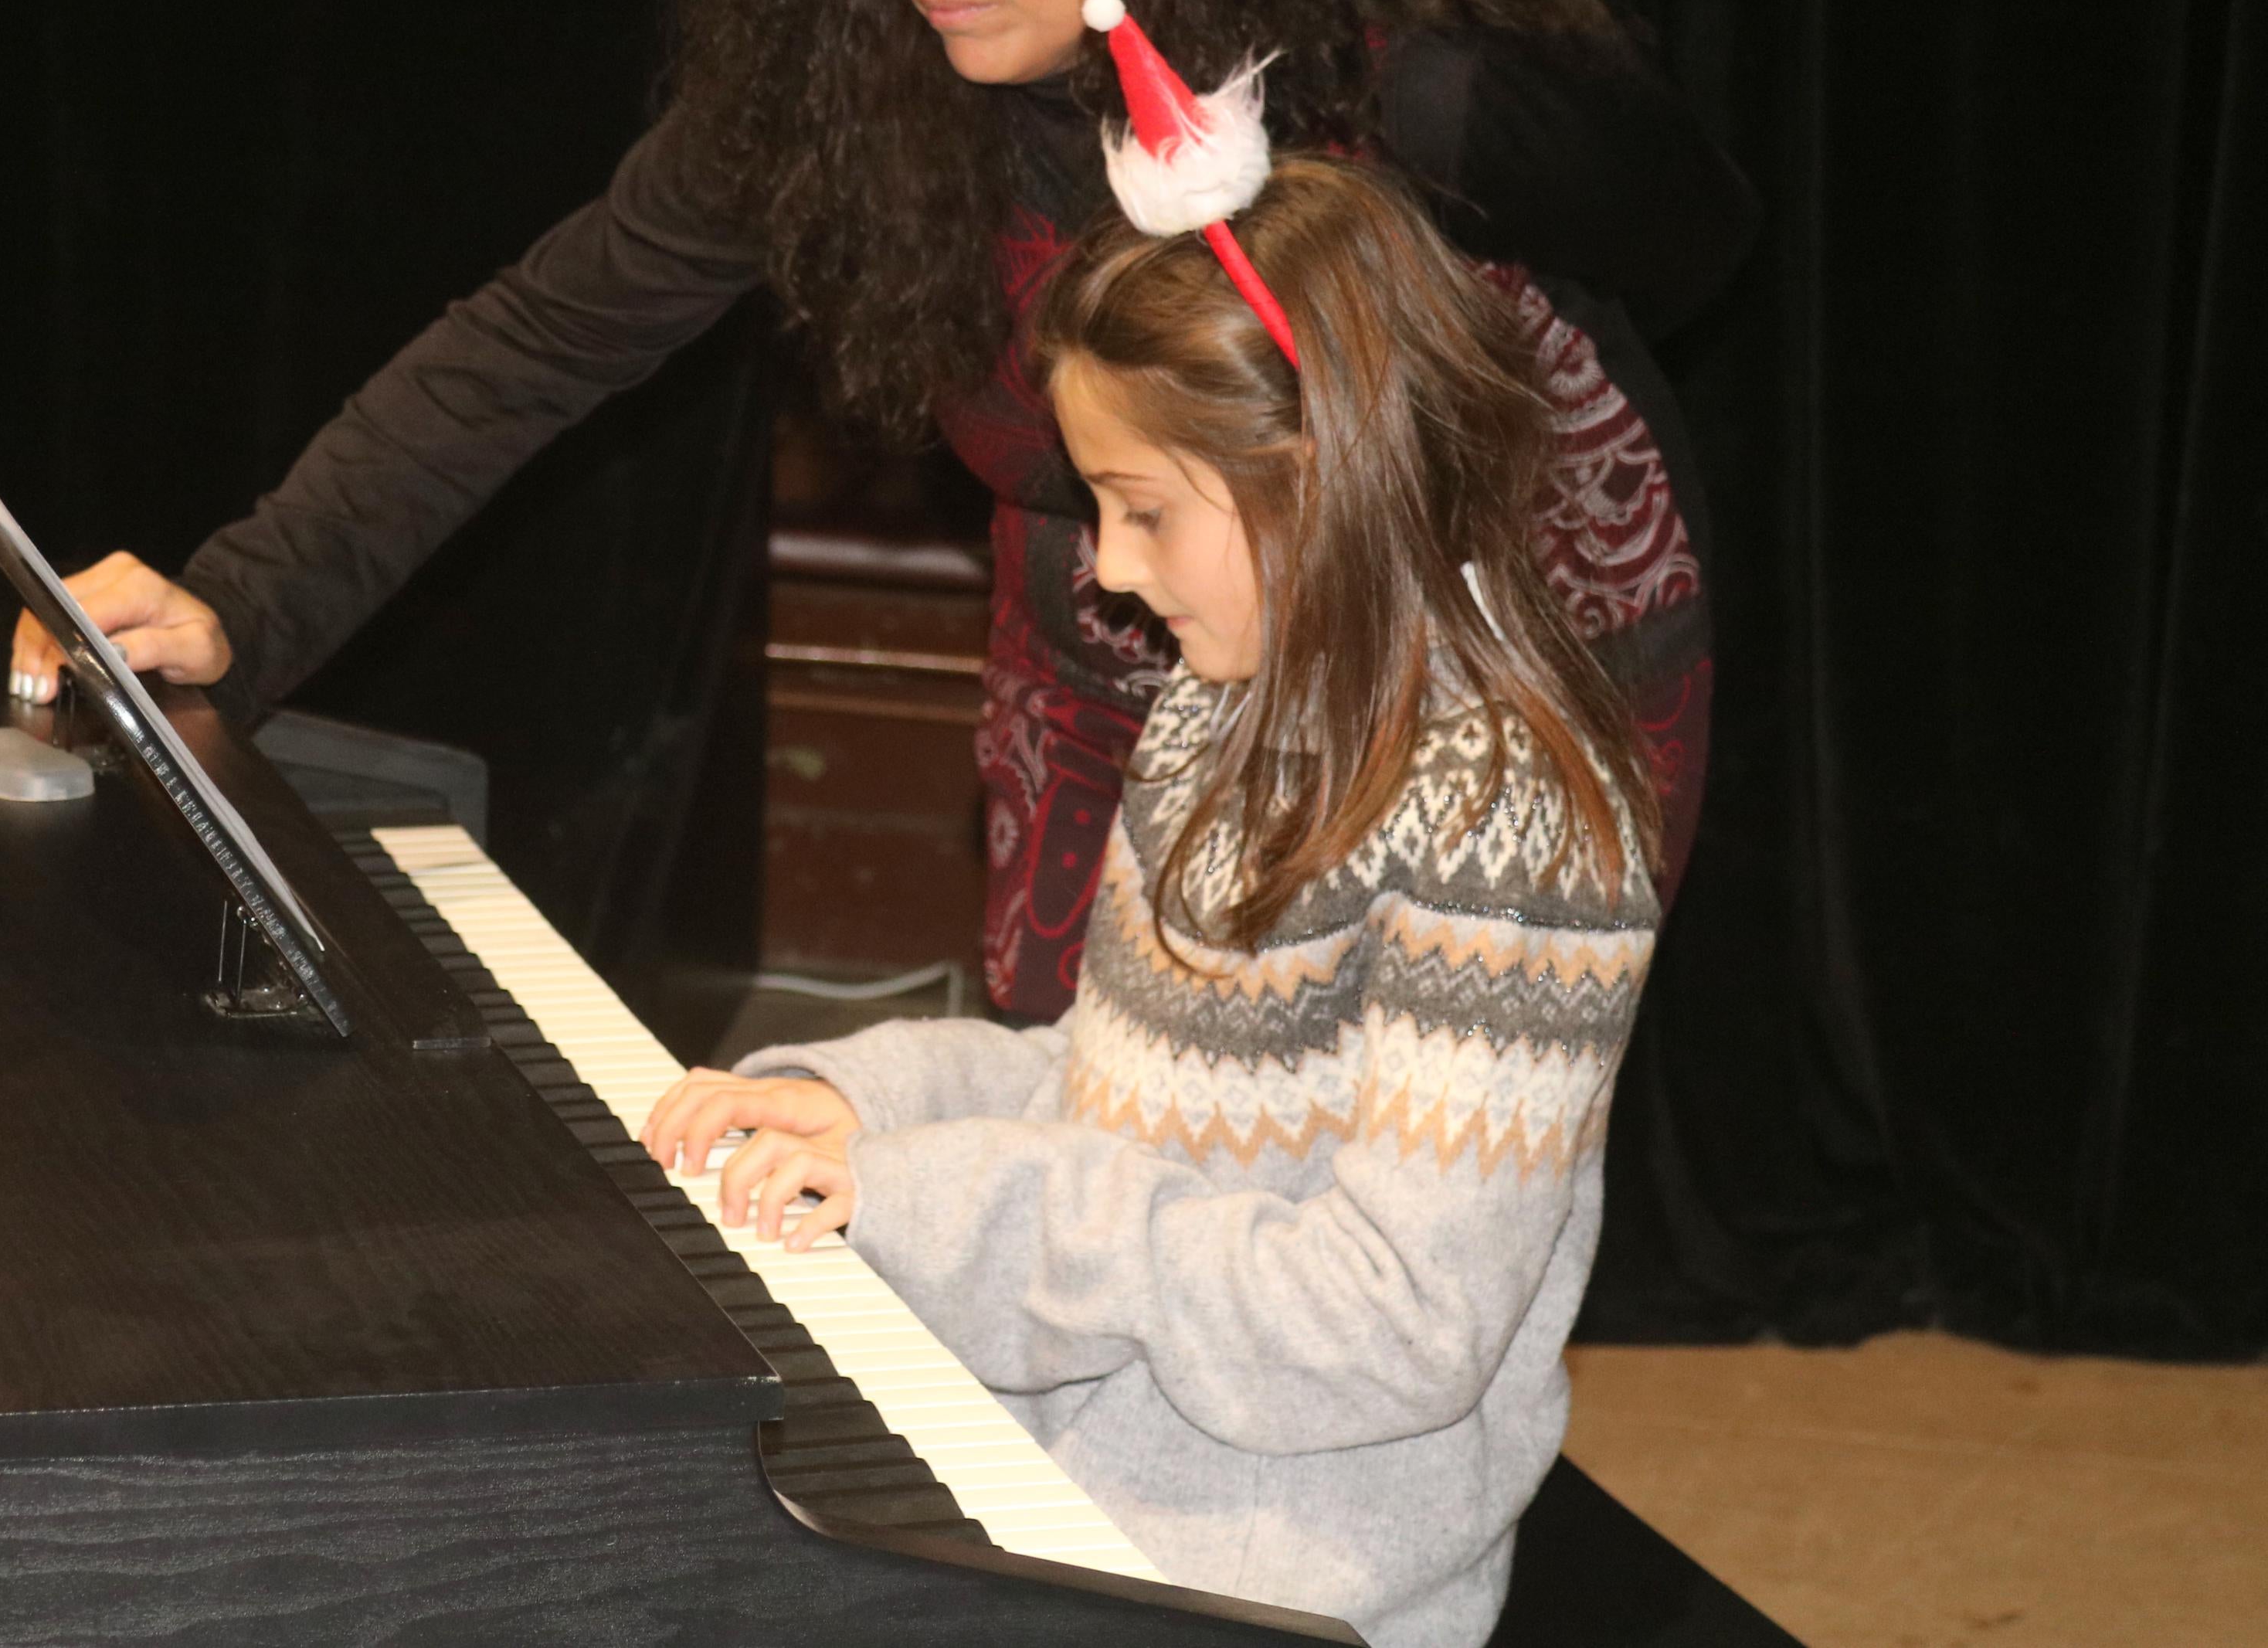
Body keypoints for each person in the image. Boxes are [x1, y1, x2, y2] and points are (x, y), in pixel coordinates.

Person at [8, 0, 1747, 1017]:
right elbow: (535, 344)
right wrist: (242, 601)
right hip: (1116, 639)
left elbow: (1690, 250)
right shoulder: (843, 100)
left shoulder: (1413, 80)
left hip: (1496, 648)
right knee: (1076, 1131)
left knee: (1379, 1182)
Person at [640, 156, 1662, 1648]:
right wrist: (864, 1107)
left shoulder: (1518, 820)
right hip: (1084, 1462)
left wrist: (953, 1211)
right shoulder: (1224, 709)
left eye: (1142, 511)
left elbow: (1396, 1328)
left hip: (1289, 1571)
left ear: (1323, 471)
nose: (1109, 574)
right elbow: (1123, 1088)